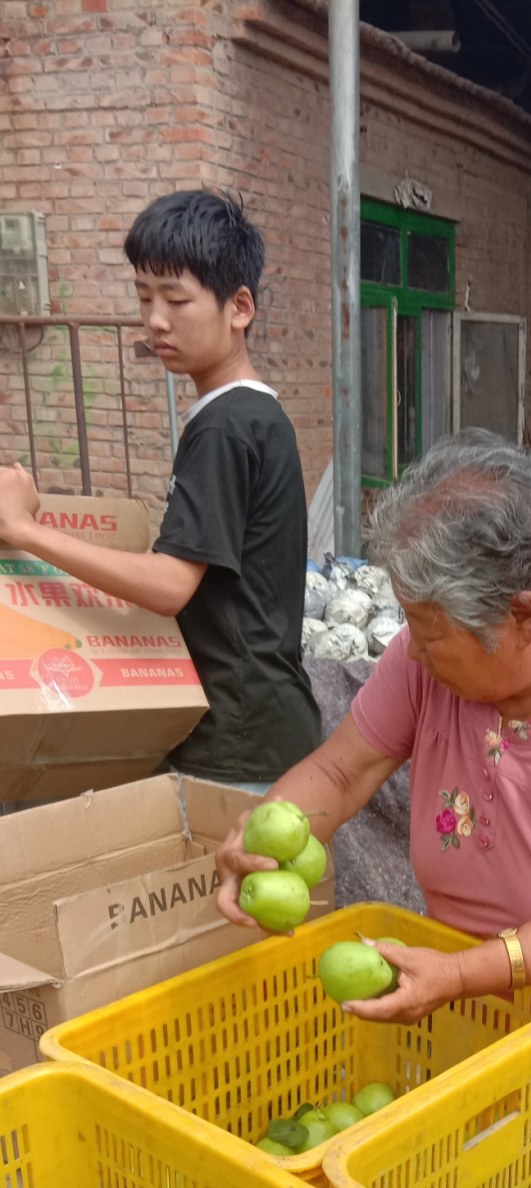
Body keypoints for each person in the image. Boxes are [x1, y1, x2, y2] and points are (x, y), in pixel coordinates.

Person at [215, 431, 531, 1022]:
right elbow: (340, 770)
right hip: (478, 991)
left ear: (523, 616)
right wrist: (265, 842)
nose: (414, 652)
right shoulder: (423, 662)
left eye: (430, 632)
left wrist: (459, 973)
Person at [0, 189, 321, 790]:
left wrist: (23, 531)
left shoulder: (227, 426)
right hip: (260, 723)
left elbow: (170, 586)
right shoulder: (251, 416)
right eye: (144, 296)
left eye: (176, 299)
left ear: (240, 307)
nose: (155, 319)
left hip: (237, 740)